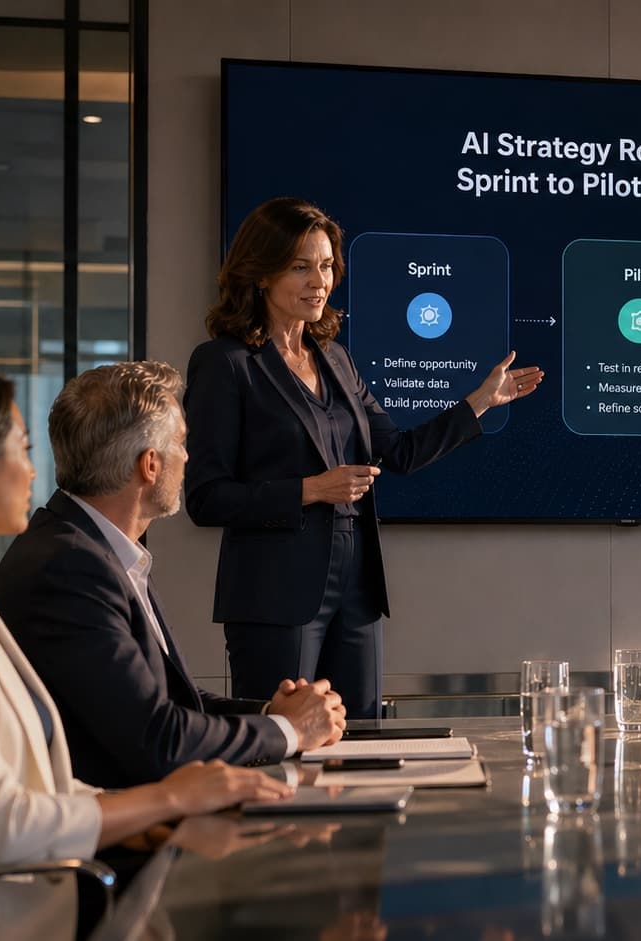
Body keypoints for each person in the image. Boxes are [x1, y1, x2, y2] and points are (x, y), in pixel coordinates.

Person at [0, 361, 291, 941]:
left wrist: (161, 816)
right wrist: (168, 797)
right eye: (23, 447)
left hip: (32, 902)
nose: (36, 470)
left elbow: (42, 787)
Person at [185, 196, 544, 718]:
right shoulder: (226, 363)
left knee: (364, 736)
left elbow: (396, 452)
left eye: (327, 266)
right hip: (275, 596)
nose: (319, 281)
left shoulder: (335, 357)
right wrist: (312, 489)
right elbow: (204, 497)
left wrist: (479, 403)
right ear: (261, 273)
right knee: (285, 741)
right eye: (301, 266)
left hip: (355, 588)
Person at [0, 361, 348, 790]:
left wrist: (274, 714)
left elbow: (176, 705)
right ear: (150, 465)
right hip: (120, 838)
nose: (189, 456)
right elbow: (159, 740)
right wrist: (290, 731)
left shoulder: (92, 548)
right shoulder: (69, 567)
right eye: (182, 442)